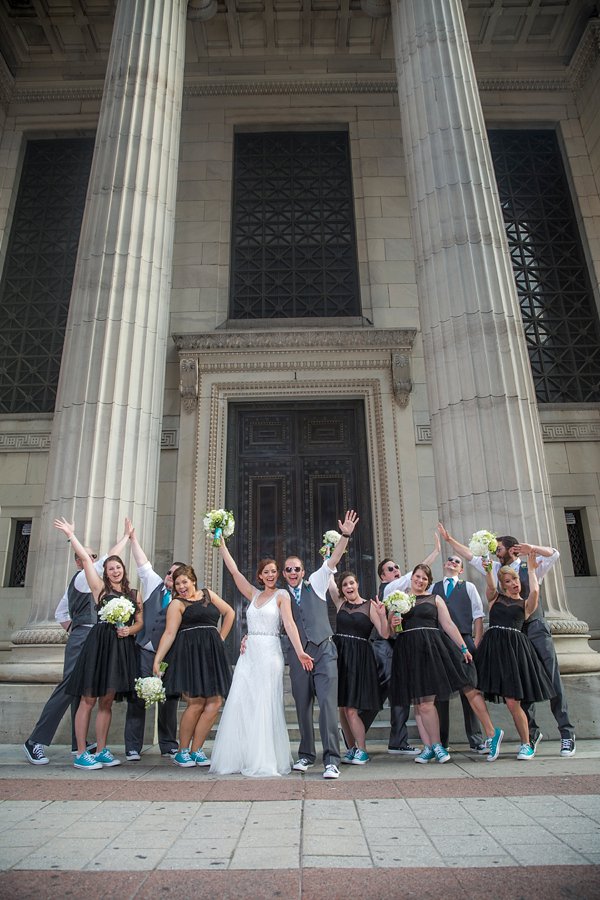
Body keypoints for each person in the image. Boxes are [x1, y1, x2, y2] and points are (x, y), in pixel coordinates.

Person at [438, 523, 575, 756]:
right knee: (521, 684)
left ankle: (566, 733)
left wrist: (532, 548)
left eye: (499, 549)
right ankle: (531, 734)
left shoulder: (531, 567)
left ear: (512, 550)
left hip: (534, 628)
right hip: (511, 636)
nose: (495, 553)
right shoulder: (495, 570)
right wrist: (450, 540)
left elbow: (554, 554)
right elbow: (470, 557)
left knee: (552, 679)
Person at [22, 533, 127, 765]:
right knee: (69, 685)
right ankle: (35, 740)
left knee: (82, 687)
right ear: (79, 562)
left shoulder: (84, 582)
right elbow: (110, 557)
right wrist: (80, 629)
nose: (93, 559)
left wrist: (75, 627)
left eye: (94, 556)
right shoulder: (82, 577)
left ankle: (76, 742)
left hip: (91, 636)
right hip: (84, 636)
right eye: (88, 557)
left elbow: (61, 613)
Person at [210, 545, 314, 777]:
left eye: (274, 571)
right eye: (266, 572)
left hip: (270, 653)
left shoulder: (282, 595)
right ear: (260, 575)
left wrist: (299, 652)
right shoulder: (254, 594)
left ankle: (264, 759)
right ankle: (243, 756)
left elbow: (289, 624)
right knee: (242, 701)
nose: (270, 575)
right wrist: (223, 545)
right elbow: (234, 571)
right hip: (249, 654)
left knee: (264, 704)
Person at [389, 564, 503, 765]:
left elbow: (448, 624)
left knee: (458, 688)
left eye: (424, 578)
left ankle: (484, 735)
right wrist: (393, 622)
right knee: (419, 702)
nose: (420, 580)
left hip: (433, 649)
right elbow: (392, 632)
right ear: (412, 577)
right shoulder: (400, 599)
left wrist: (463, 648)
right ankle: (429, 747)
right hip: (409, 651)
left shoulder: (435, 599)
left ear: (428, 582)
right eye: (417, 576)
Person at [55, 517, 142, 771]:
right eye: (110, 568)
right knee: (88, 699)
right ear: (105, 571)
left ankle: (102, 749)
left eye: (118, 567)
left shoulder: (133, 594)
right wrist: (71, 535)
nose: (115, 570)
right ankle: (82, 752)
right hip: (99, 644)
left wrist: (129, 630)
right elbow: (85, 558)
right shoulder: (99, 589)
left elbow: (140, 622)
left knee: (106, 701)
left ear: (124, 569)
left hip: (119, 648)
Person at [284, 509, 359, 780]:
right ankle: (306, 755)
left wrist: (345, 536)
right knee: (302, 706)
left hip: (324, 651)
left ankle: (331, 760)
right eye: (288, 569)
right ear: (284, 574)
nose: (293, 572)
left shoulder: (315, 582)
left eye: (297, 569)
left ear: (304, 571)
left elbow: (333, 560)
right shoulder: (281, 596)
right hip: (298, 655)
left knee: (327, 706)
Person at [360, 538, 440, 756]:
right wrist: (434, 553)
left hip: (399, 645)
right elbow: (416, 573)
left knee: (398, 692)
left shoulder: (405, 595)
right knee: (385, 690)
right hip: (384, 646)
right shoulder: (389, 588)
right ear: (382, 577)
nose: (396, 570)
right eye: (390, 569)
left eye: (396, 567)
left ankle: (397, 740)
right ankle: (358, 725)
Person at [152, 565, 234, 768]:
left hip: (212, 654)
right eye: (177, 584)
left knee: (215, 702)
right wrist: (157, 659)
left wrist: (221, 638)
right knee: (196, 702)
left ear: (193, 580)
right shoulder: (176, 604)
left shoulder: (208, 594)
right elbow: (169, 633)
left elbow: (229, 612)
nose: (181, 586)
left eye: (184, 582)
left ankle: (196, 750)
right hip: (190, 655)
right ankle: (182, 751)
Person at [477, 552, 555, 760]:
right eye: (508, 581)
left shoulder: (526, 605)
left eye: (515, 579)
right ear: (503, 585)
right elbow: (490, 585)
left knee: (513, 702)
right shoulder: (495, 598)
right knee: (472, 689)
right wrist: (487, 569)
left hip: (513, 652)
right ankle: (491, 734)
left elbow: (535, 590)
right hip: (492, 651)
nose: (514, 584)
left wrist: (531, 570)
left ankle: (526, 743)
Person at [123, 519, 182, 761]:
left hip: (170, 654)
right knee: (138, 697)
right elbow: (143, 563)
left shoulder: (184, 598)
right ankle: (133, 746)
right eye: (169, 572)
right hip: (145, 651)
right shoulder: (154, 585)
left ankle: (168, 744)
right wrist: (133, 539)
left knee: (169, 698)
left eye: (176, 575)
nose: (170, 576)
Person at [328, 570, 389, 765]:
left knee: (351, 709)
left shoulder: (370, 606)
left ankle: (362, 750)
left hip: (359, 659)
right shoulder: (340, 603)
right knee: (343, 707)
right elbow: (328, 577)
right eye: (345, 585)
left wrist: (383, 615)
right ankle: (352, 748)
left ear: (357, 584)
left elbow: (385, 633)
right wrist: (328, 559)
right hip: (340, 657)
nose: (349, 587)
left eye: (351, 583)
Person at [430, 554, 486, 753]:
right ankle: (442, 742)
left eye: (457, 562)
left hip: (464, 639)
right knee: (440, 693)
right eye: (450, 560)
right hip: (441, 642)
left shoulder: (468, 587)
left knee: (469, 689)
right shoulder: (433, 588)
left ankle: (476, 739)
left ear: (461, 570)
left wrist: (476, 642)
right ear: (445, 564)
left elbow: (478, 615)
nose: (452, 562)